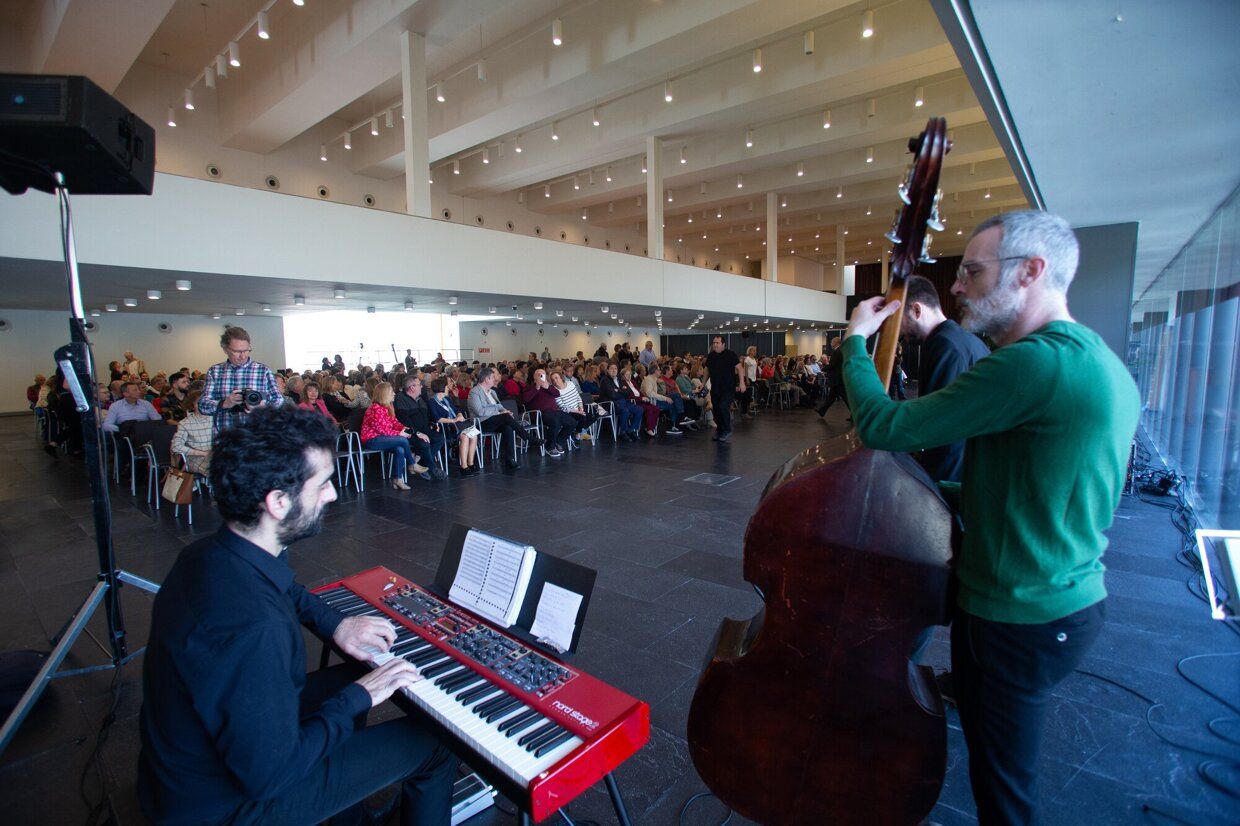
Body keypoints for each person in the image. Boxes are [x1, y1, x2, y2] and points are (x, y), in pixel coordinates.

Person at [841, 211, 1139, 825]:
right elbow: (1032, 484)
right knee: (1000, 775)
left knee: (1004, 794)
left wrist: (854, 342)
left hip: (1019, 613)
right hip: (1064, 600)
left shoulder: (1032, 363)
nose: (956, 285)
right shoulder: (1098, 358)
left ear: (1032, 271)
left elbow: (882, 425)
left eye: (972, 271)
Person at [139, 406, 455, 824]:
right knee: (432, 743)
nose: (332, 495)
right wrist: (359, 698)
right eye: (322, 484)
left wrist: (336, 625)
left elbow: (287, 590)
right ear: (278, 502)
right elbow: (269, 777)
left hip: (187, 763)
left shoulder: (212, 553)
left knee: (353, 676)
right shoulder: (252, 627)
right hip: (227, 806)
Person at [899, 274, 992, 484]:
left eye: (899, 321)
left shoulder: (945, 345)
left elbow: (941, 425)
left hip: (954, 475)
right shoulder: (961, 338)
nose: (899, 331)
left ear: (916, 310)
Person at [199, 326, 284, 434]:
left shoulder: (263, 371)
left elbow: (279, 400)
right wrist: (225, 403)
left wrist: (263, 408)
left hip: (257, 435)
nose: (243, 356)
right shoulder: (215, 371)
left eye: (246, 350)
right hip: (226, 436)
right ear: (225, 349)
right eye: (237, 351)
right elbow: (202, 405)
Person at [468, 367, 542, 469]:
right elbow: (480, 411)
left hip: (495, 421)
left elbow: (499, 406)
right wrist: (500, 412)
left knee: (508, 427)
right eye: (493, 377)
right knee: (505, 418)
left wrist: (504, 411)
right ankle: (528, 438)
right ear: (486, 379)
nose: (495, 379)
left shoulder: (492, 392)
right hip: (481, 423)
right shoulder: (474, 392)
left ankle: (510, 460)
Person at [393, 375, 447, 479]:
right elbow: (404, 420)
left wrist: (432, 424)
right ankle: (432, 468)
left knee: (439, 438)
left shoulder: (420, 399)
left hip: (425, 429)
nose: (421, 387)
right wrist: (417, 433)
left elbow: (427, 416)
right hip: (409, 432)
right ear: (412, 387)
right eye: (419, 385)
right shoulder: (400, 398)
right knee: (424, 443)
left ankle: (422, 465)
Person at [429, 377, 478, 476]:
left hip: (456, 425)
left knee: (474, 436)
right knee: (464, 436)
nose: (448, 389)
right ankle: (463, 466)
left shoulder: (447, 399)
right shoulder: (432, 402)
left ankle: (470, 463)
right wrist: (453, 420)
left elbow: (455, 410)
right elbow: (436, 418)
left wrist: (459, 414)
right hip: (445, 428)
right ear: (442, 388)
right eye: (447, 387)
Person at [705, 335, 744, 442]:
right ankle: (720, 430)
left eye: (717, 343)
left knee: (723, 407)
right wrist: (703, 384)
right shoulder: (711, 356)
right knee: (716, 409)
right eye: (714, 343)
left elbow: (740, 368)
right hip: (715, 388)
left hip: (728, 388)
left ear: (723, 344)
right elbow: (707, 370)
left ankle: (727, 430)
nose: (715, 345)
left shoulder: (730, 354)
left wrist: (742, 383)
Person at [170, 389, 213, 476]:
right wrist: (203, 453)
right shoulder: (185, 423)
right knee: (217, 468)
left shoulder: (216, 419)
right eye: (199, 403)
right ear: (192, 406)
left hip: (216, 455)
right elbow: (176, 446)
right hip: (196, 458)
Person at [596, 362, 641, 440]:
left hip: (622, 402)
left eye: (615, 368)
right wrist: (622, 391)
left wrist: (618, 391)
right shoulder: (605, 380)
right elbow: (612, 395)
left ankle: (631, 430)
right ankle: (623, 432)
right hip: (610, 404)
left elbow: (629, 392)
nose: (614, 370)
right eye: (611, 368)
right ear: (607, 370)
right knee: (625, 410)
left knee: (639, 409)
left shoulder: (620, 379)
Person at [640, 364, 684, 434]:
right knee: (672, 403)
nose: (660, 371)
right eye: (659, 370)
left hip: (656, 399)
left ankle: (679, 418)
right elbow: (650, 393)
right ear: (655, 371)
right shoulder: (648, 380)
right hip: (652, 402)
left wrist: (661, 383)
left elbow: (662, 390)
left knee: (676, 395)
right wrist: (665, 398)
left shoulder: (654, 378)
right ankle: (675, 422)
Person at [815, 337, 849, 419]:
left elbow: (832, 365)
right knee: (832, 397)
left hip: (837, 379)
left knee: (844, 398)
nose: (830, 343)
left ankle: (857, 414)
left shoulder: (836, 352)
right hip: (839, 378)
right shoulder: (842, 350)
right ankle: (821, 410)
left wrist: (824, 367)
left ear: (836, 343)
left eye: (831, 342)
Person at [740, 346, 758, 417]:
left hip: (753, 379)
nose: (755, 352)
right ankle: (744, 412)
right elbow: (745, 370)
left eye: (755, 350)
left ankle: (748, 409)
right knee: (746, 396)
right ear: (749, 351)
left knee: (750, 395)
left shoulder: (754, 359)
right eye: (753, 350)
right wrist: (747, 379)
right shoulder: (747, 359)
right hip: (748, 378)